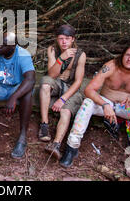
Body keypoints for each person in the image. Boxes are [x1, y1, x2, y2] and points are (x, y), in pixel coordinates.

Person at [60, 42, 130, 167]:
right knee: (87, 103)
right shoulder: (111, 66)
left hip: (127, 107)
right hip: (105, 103)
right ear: (122, 55)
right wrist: (105, 105)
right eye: (127, 55)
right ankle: (72, 146)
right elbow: (89, 90)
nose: (129, 59)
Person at [38, 24, 86, 159]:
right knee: (45, 83)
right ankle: (44, 125)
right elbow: (52, 75)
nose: (64, 42)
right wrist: (61, 58)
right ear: (57, 39)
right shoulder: (53, 50)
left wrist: (63, 99)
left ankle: (56, 144)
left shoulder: (80, 55)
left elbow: (78, 82)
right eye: (61, 39)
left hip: (71, 88)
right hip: (56, 82)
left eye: (67, 38)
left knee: (65, 111)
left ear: (73, 39)